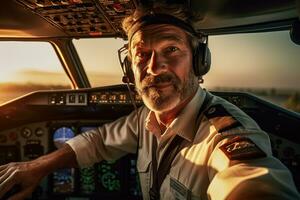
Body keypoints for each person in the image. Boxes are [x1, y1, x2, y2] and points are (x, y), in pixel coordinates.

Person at [0, 3, 299, 200]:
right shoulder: (145, 119)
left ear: (198, 62)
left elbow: (252, 181)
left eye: (171, 49)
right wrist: (35, 167)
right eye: (142, 54)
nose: (155, 68)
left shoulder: (225, 134)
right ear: (129, 68)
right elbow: (97, 141)